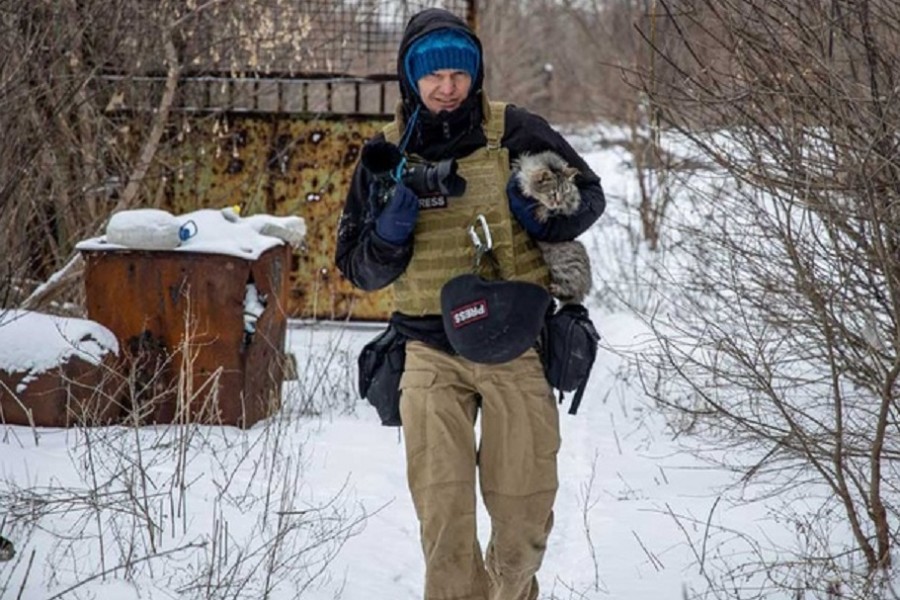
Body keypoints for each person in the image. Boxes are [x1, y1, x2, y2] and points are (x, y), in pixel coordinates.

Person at [335, 8, 605, 600]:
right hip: (428, 350)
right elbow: (355, 266)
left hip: (516, 345)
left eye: (459, 72)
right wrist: (389, 234)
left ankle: (512, 591)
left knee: (522, 525)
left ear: (475, 73)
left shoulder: (515, 129)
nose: (447, 85)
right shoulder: (383, 153)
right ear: (410, 78)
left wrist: (535, 207)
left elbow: (588, 196)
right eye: (433, 74)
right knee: (446, 528)